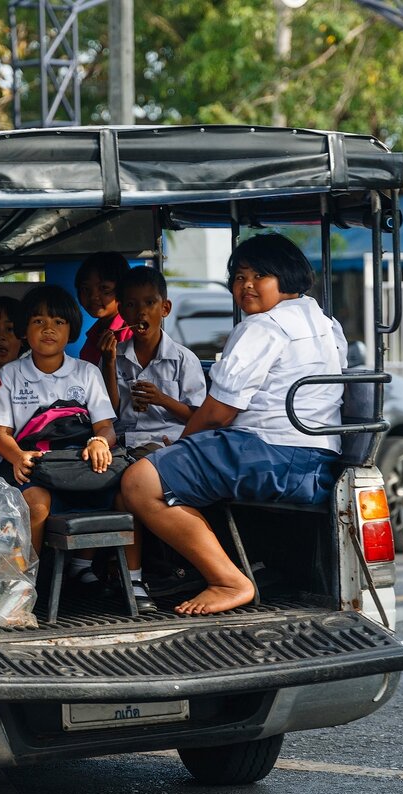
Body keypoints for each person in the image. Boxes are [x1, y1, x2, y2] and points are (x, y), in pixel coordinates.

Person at [121, 234, 346, 616]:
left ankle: (228, 580)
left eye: (260, 275)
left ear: (286, 276)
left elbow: (218, 413)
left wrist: (177, 450)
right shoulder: (326, 322)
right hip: (318, 458)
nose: (247, 286)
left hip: (270, 454)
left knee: (139, 481)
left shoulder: (263, 326)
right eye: (240, 277)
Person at [0, 285, 154, 611]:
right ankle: (25, 586)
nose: (49, 329)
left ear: (71, 330)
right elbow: (0, 435)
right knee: (35, 502)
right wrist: (17, 456)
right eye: (38, 321)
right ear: (24, 330)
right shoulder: (9, 375)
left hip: (80, 462)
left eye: (59, 322)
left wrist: (100, 441)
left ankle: (131, 578)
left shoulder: (87, 373)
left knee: (128, 493)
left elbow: (105, 426)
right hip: (33, 463)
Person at [109, 267, 206, 455]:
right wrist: (107, 363)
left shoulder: (184, 360)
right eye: (131, 305)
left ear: (165, 308)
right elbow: (108, 413)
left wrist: (162, 399)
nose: (141, 312)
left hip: (166, 445)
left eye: (150, 302)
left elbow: (198, 418)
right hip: (122, 445)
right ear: (121, 311)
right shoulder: (114, 356)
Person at [75, 252, 132, 393]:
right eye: (86, 289)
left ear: (123, 290)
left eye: (104, 289)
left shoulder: (132, 334)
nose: (93, 296)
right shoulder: (92, 340)